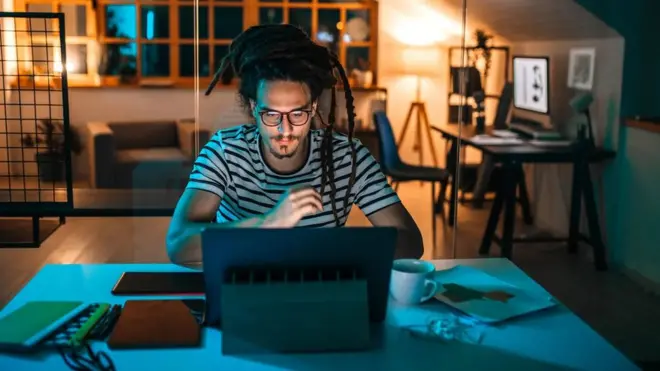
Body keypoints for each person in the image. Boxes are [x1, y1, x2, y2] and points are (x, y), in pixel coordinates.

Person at [166, 24, 423, 265]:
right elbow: (178, 244)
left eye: (297, 114)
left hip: (320, 294)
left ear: (312, 108)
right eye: (272, 115)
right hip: (240, 291)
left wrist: (331, 249)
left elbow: (411, 242)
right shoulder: (224, 152)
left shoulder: (348, 157)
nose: (285, 129)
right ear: (254, 108)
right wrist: (270, 223)